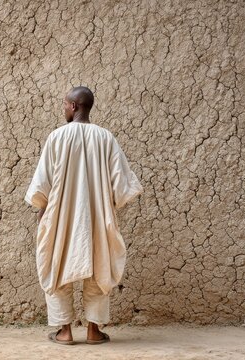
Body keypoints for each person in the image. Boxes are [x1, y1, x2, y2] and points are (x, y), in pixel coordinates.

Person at [24, 86, 144, 345]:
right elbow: (121, 183)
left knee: (56, 266)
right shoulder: (105, 137)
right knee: (99, 268)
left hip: (60, 216)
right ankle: (93, 331)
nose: (64, 107)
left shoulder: (57, 137)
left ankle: (64, 331)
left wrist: (42, 212)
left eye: (65, 104)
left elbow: (43, 182)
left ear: (75, 106)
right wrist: (105, 204)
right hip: (97, 216)